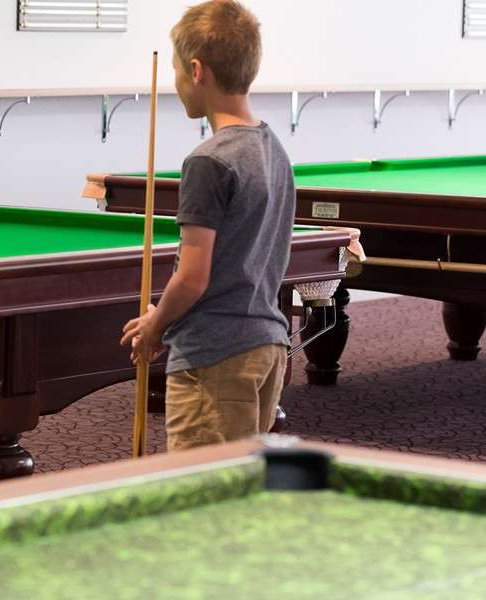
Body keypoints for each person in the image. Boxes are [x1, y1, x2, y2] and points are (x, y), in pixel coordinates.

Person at [120, 0, 294, 451]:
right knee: (241, 491)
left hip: (216, 356)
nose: (176, 83)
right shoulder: (273, 147)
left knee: (202, 499)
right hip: (267, 346)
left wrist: (155, 326)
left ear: (197, 70)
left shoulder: (208, 160)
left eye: (178, 71)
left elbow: (192, 278)